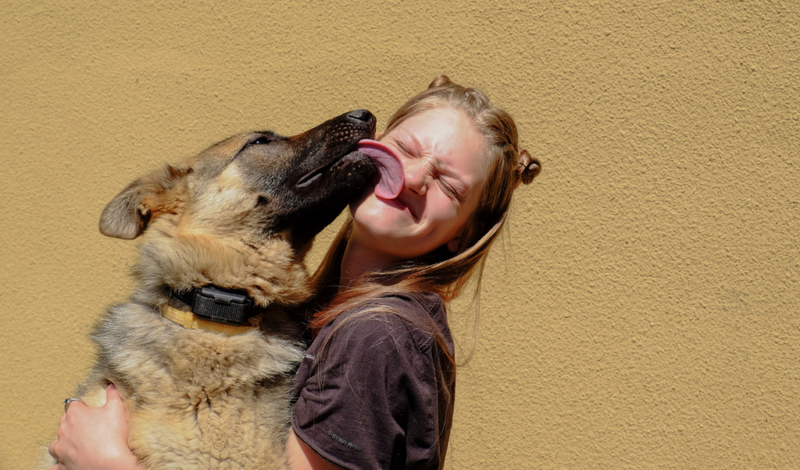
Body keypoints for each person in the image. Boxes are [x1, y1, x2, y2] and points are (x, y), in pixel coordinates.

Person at [48, 75, 541, 470]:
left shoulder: (376, 335)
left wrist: (109, 463)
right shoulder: (325, 315)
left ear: (461, 233)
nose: (411, 177)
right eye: (406, 150)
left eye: (449, 187)